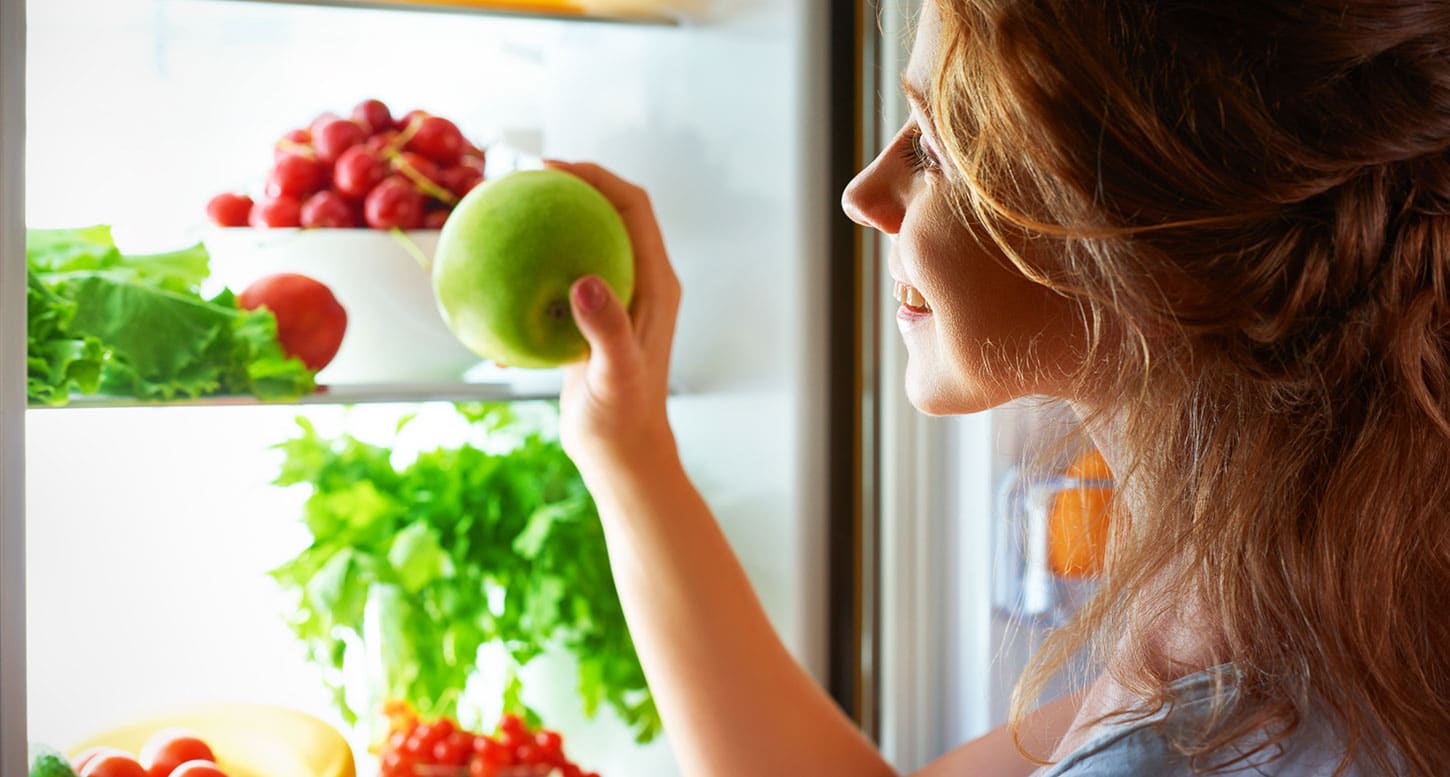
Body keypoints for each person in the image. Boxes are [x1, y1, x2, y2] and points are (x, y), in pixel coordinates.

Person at [544, 0, 1450, 773]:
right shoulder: (1306, 605)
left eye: (934, 148)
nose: (865, 193)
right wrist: (629, 452)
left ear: (1149, 236)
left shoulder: (1204, 728)